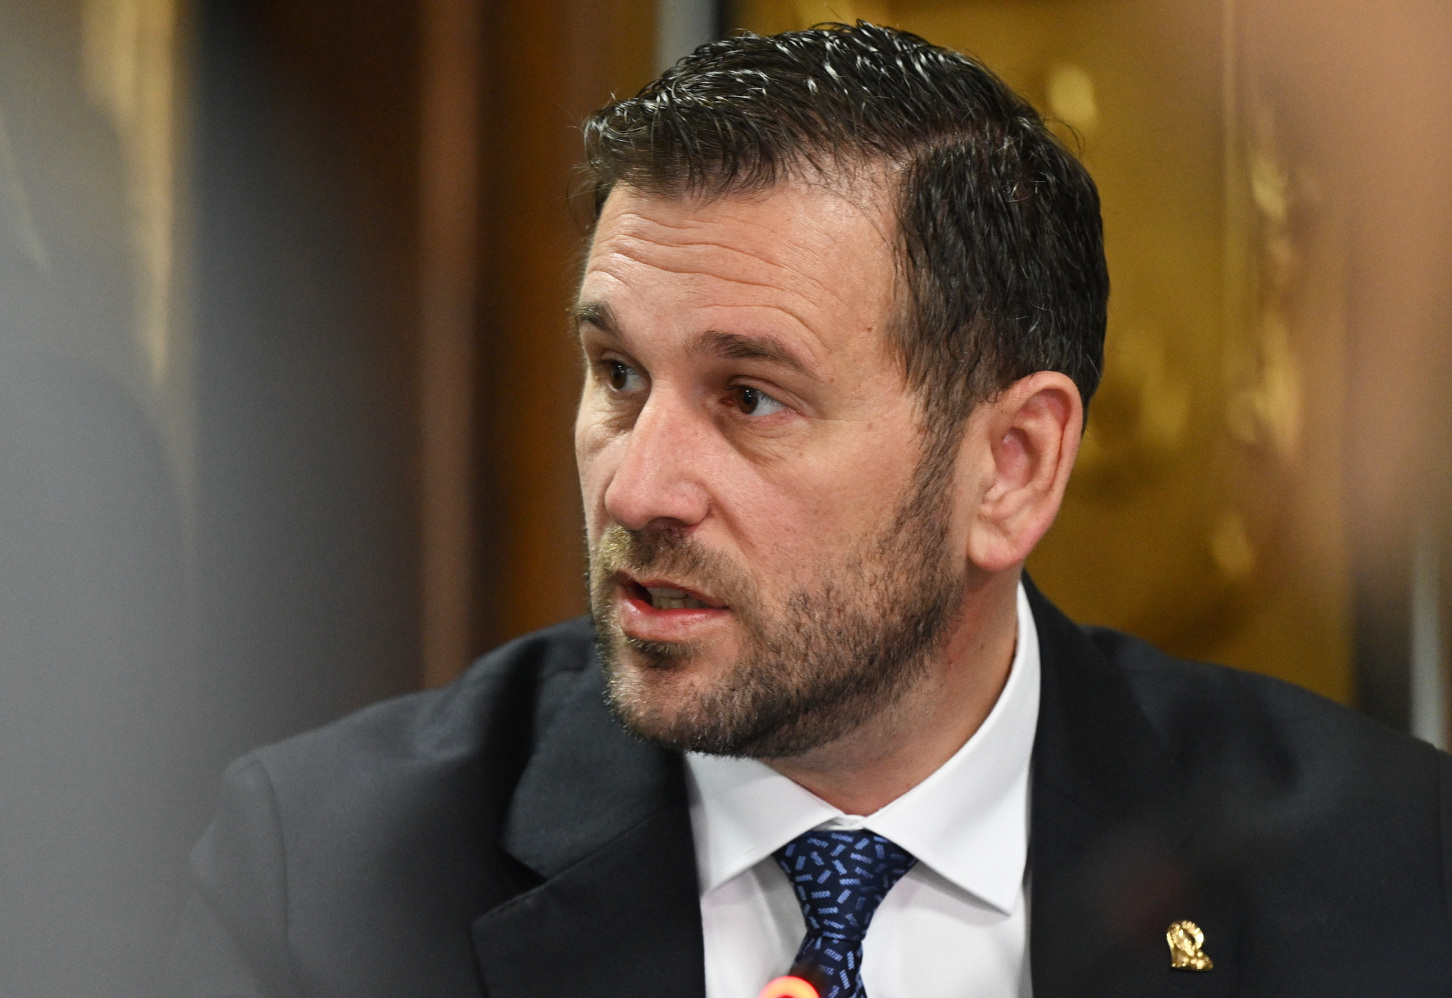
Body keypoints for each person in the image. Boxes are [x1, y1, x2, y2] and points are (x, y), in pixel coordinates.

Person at [168, 22, 1452, 998]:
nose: (640, 486)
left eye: (750, 397)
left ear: (1011, 465)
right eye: (617, 375)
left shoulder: (1388, 871)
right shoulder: (331, 876)